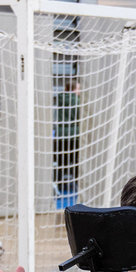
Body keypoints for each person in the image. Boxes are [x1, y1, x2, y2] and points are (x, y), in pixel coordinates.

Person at [53, 78, 81, 207]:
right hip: (74, 136)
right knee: (76, 163)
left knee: (61, 164)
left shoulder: (59, 99)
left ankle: (57, 189)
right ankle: (79, 188)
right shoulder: (78, 101)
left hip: (60, 136)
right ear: (75, 89)